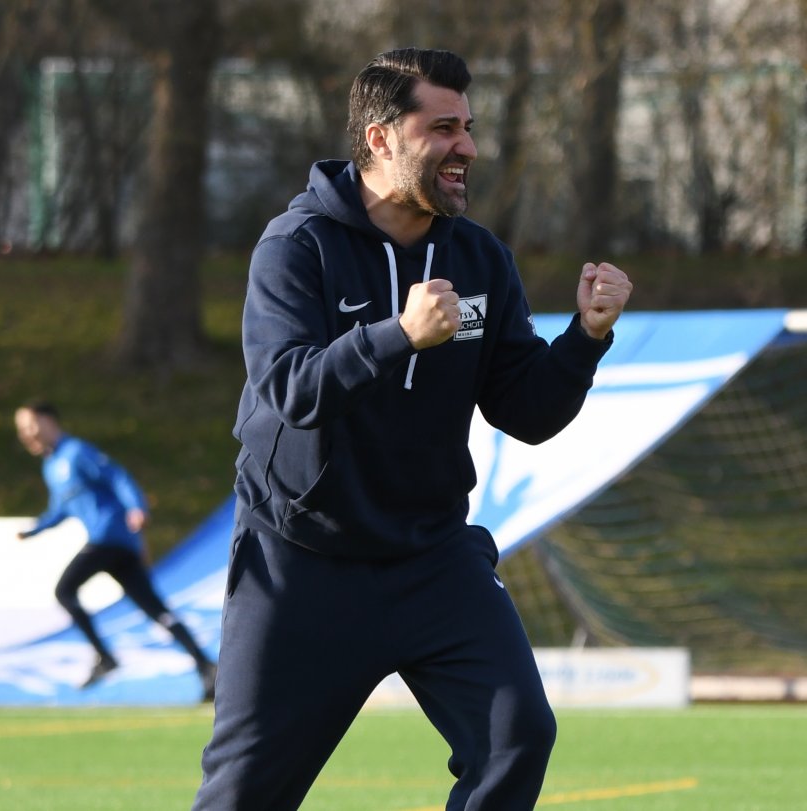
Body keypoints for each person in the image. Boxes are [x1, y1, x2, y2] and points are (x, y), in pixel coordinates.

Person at [190, 48, 632, 811]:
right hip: (302, 563)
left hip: (431, 558)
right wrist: (396, 335)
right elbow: (290, 388)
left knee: (517, 734)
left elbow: (526, 414)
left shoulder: (480, 257)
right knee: (242, 796)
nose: (467, 148)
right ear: (382, 138)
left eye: (469, 128)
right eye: (444, 128)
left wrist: (586, 339)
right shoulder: (297, 247)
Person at [13, 400, 217, 701]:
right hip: (116, 547)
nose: (26, 434)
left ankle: (104, 657)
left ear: (49, 422)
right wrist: (36, 529)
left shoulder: (77, 452)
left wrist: (136, 507)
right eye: (21, 430)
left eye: (30, 425)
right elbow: (61, 509)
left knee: (64, 590)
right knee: (156, 610)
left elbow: (118, 477)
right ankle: (206, 667)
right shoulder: (51, 466)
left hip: (109, 537)